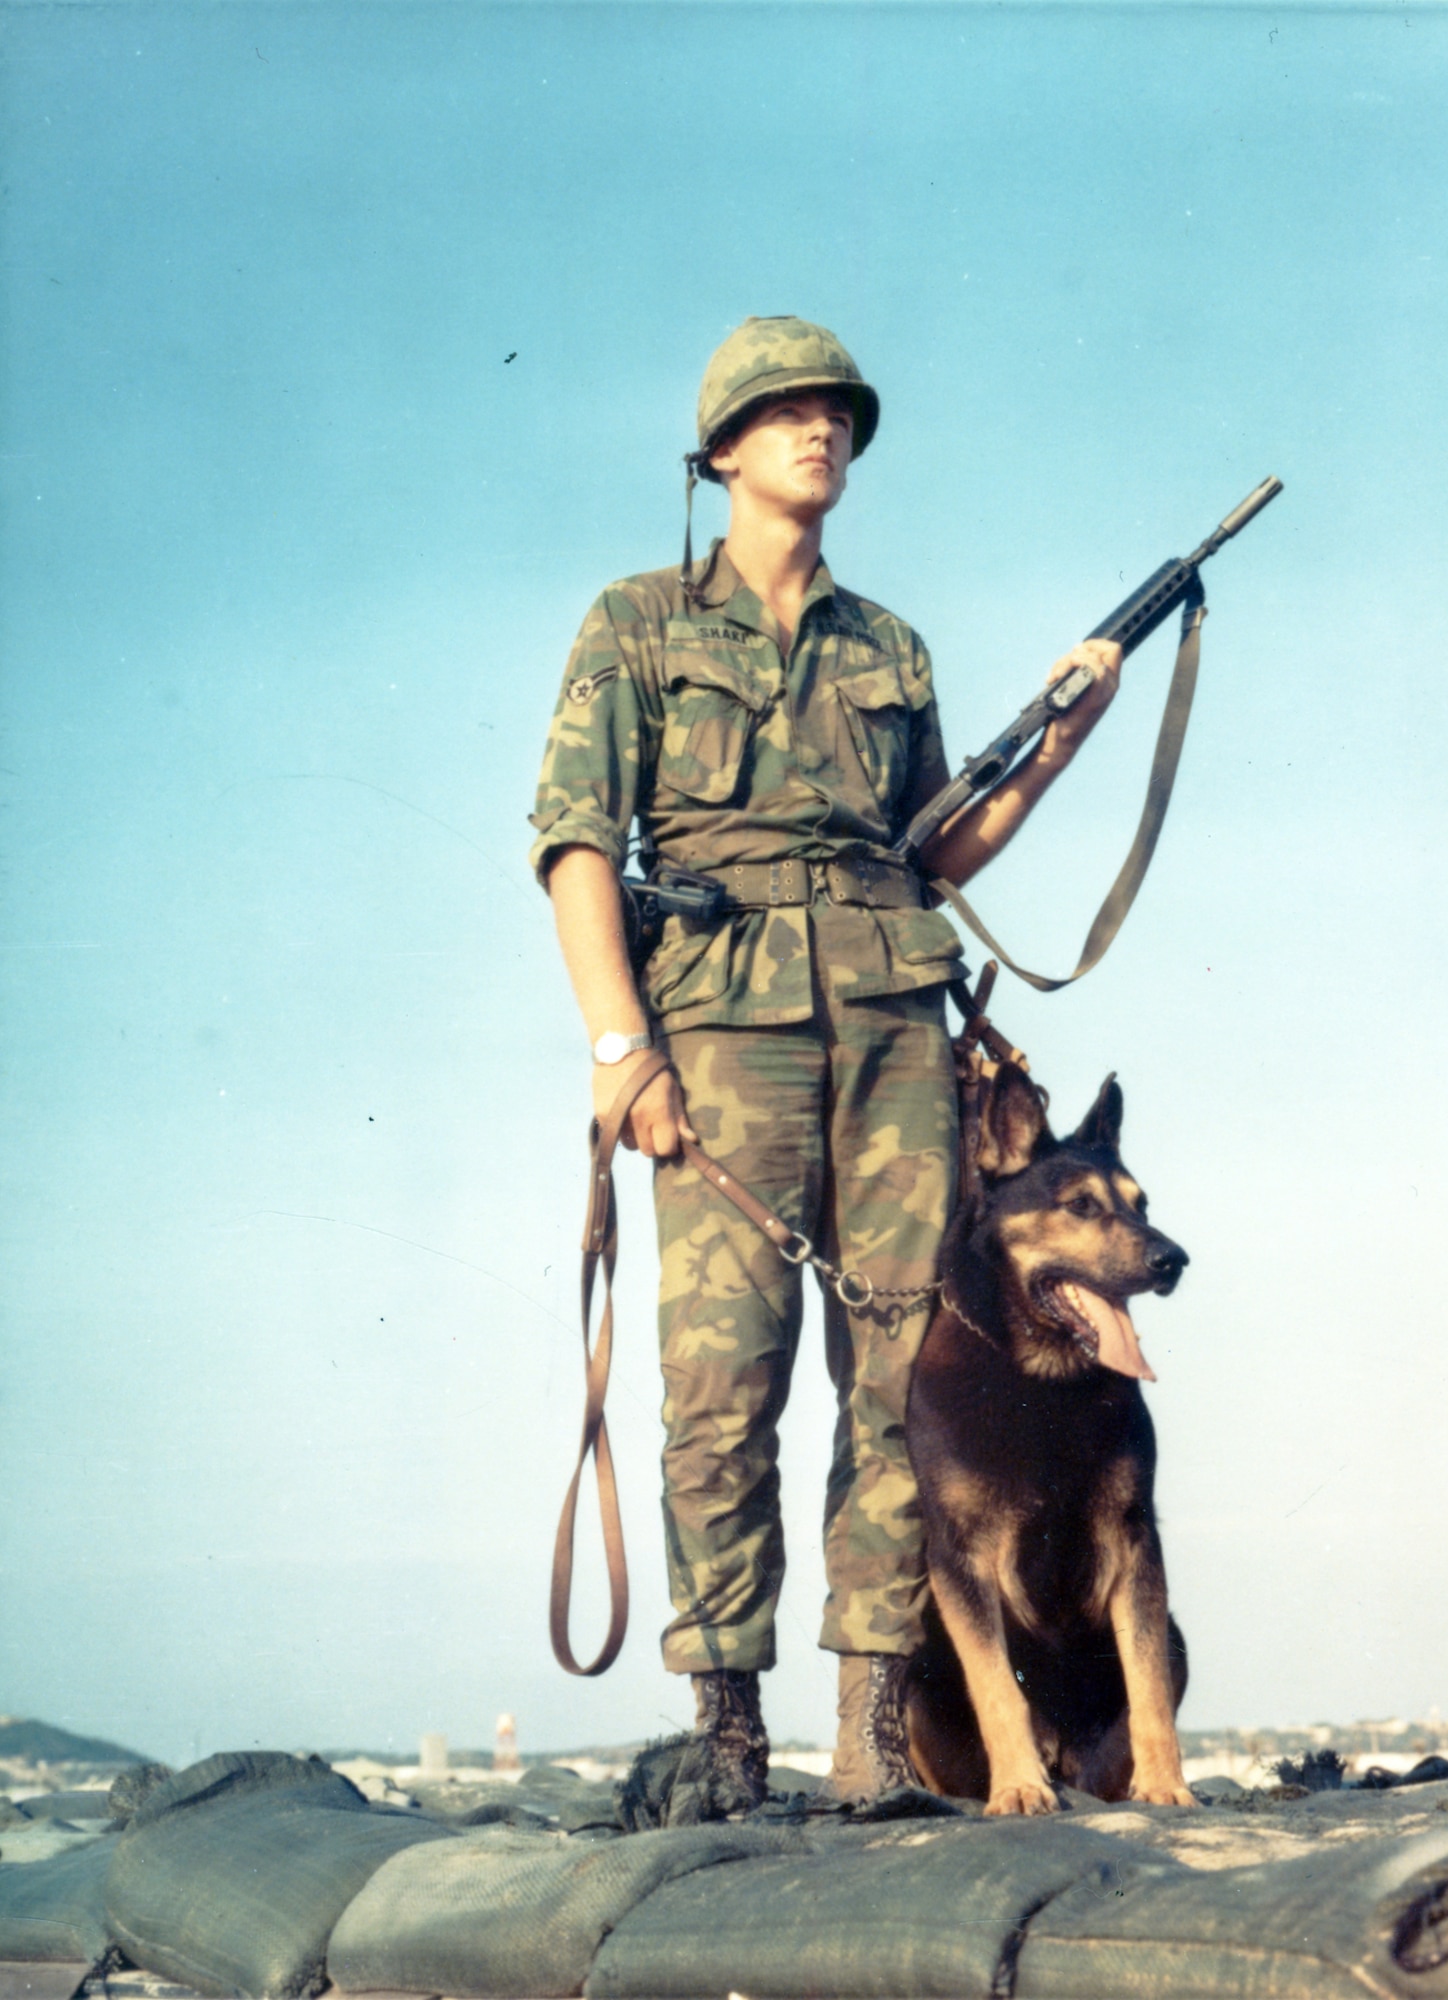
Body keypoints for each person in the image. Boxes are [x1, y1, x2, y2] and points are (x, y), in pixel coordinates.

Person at [530, 317, 1121, 1813]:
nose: (820, 434)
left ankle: (865, 1730)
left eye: (837, 415)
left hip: (890, 1038)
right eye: (785, 414)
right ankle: (726, 1729)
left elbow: (933, 849)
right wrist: (620, 1047)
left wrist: (1056, 744)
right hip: (717, 1039)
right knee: (719, 1384)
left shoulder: (887, 646)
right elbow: (576, 842)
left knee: (889, 1385)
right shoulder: (636, 625)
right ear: (720, 450)